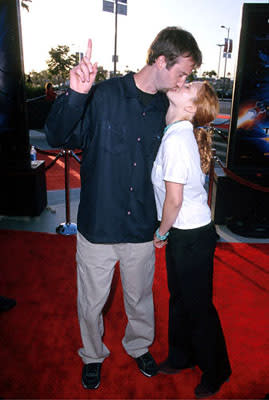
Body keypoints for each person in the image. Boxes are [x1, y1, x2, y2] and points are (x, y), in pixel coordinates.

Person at [45, 26, 202, 390]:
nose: (184, 81)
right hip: (98, 225)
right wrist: (75, 95)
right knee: (90, 302)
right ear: (161, 61)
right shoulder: (101, 95)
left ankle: (138, 345)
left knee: (140, 298)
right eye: (182, 72)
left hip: (141, 228)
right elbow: (56, 137)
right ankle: (93, 354)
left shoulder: (168, 108)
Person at [151, 80, 231, 398]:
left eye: (189, 87)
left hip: (190, 235)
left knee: (197, 307)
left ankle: (217, 370)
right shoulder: (179, 133)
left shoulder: (177, 138)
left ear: (191, 107)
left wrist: (160, 233)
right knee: (180, 300)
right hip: (190, 234)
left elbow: (174, 199)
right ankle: (181, 356)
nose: (181, 83)